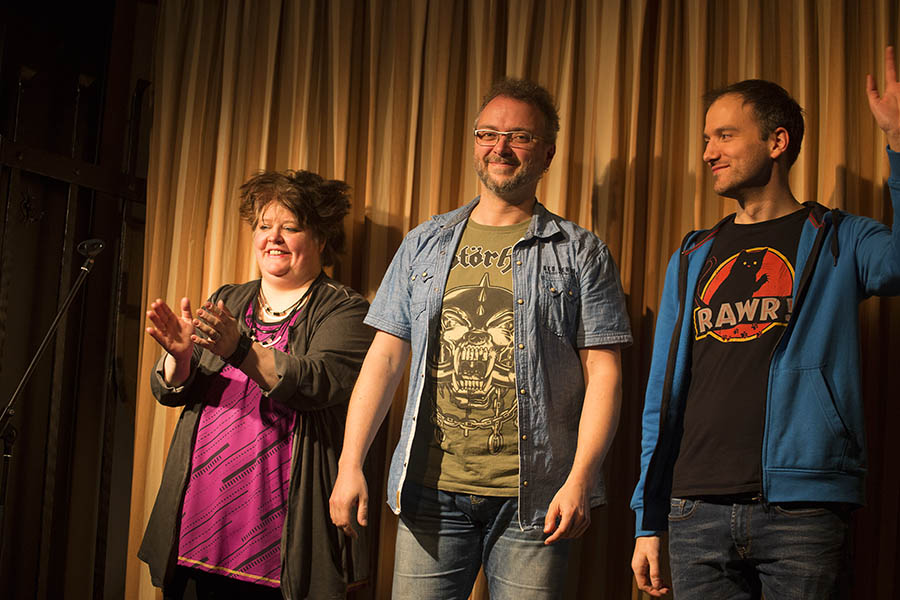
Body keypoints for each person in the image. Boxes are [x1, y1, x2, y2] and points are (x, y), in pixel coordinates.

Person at [329, 78, 632, 599]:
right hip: (428, 494)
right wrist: (349, 463)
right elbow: (383, 359)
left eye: (519, 137)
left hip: (535, 500)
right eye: (488, 133)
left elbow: (604, 373)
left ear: (547, 153)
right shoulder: (423, 243)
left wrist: (581, 478)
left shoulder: (581, 252)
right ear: (475, 143)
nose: (501, 147)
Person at [630, 47, 900, 599]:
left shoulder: (840, 238)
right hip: (692, 508)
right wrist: (648, 515)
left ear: (777, 142)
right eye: (707, 139)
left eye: (724, 136)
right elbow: (662, 394)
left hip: (801, 511)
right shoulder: (692, 254)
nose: (708, 153)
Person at [138, 170, 374, 600]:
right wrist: (181, 358)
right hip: (204, 515)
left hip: (278, 528)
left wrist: (239, 349)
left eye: (291, 227)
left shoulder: (348, 310)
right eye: (265, 226)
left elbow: (314, 383)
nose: (274, 238)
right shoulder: (230, 298)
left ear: (321, 238)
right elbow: (175, 392)